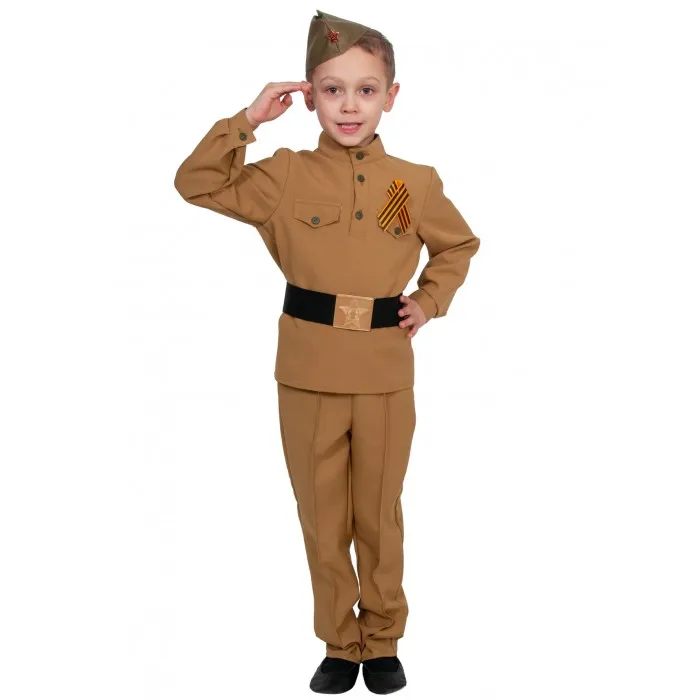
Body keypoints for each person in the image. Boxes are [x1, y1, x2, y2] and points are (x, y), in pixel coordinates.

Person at [174, 9, 481, 694]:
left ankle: (384, 640)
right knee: (322, 518)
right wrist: (247, 122)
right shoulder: (284, 175)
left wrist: (430, 300)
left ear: (391, 97)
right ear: (308, 95)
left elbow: (458, 244)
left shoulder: (413, 182)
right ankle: (340, 643)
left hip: (383, 372)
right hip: (308, 371)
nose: (349, 105)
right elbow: (197, 183)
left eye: (366, 90)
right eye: (332, 89)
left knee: (379, 515)